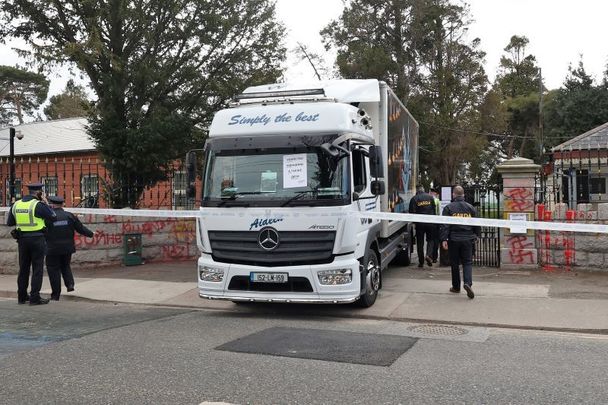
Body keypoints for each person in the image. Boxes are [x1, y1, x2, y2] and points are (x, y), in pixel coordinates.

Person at [6, 182, 56, 305]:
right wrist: (45, 203)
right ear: (39, 193)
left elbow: (10, 223)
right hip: (37, 239)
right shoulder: (38, 205)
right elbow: (53, 216)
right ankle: (34, 297)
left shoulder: (16, 204)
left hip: (22, 240)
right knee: (37, 269)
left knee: (23, 268)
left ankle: (22, 297)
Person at [45, 196, 94, 300]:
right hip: (67, 248)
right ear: (62, 204)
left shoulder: (48, 217)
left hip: (52, 249)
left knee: (53, 270)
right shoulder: (69, 216)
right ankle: (70, 284)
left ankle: (55, 295)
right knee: (65, 265)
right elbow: (81, 228)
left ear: (51, 205)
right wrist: (91, 234)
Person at [440, 185, 480, 299]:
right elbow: (476, 223)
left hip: (454, 239)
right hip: (467, 239)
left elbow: (445, 225)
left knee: (455, 263)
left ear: (453, 195)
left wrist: (444, 239)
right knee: (467, 262)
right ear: (463, 195)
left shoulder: (448, 208)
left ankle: (456, 287)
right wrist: (477, 235)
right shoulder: (470, 207)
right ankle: (468, 283)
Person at [408, 185, 436, 268]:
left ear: (417, 190)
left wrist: (414, 223)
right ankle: (428, 255)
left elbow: (411, 212)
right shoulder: (430, 197)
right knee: (431, 240)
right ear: (424, 190)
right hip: (430, 222)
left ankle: (421, 262)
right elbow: (434, 210)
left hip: (420, 224)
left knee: (420, 242)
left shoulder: (414, 199)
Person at [429, 188, 441, 263]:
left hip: (429, 222)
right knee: (436, 240)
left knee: (430, 240)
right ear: (436, 194)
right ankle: (435, 257)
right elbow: (438, 212)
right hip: (436, 222)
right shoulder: (437, 201)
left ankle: (429, 255)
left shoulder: (428, 200)